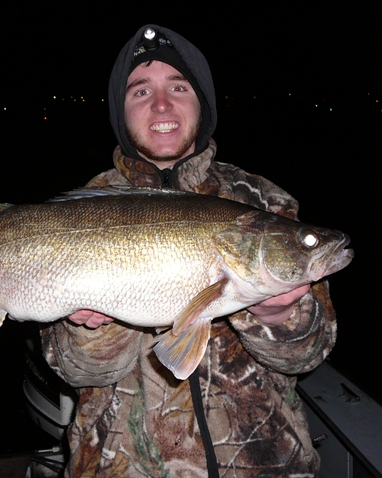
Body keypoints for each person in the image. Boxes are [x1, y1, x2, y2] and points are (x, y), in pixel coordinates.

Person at [41, 24, 337, 477]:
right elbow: (77, 373)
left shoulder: (263, 202)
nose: (161, 104)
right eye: (141, 91)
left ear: (202, 103)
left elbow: (310, 354)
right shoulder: (79, 211)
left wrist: (279, 318)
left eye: (178, 87)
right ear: (121, 110)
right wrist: (93, 332)